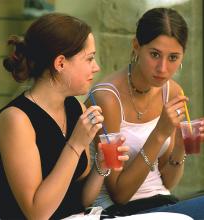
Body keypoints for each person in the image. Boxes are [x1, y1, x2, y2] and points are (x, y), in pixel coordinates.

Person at [0, 13, 129, 219]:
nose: (96, 67)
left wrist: (101, 165)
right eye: (89, 58)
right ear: (61, 63)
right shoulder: (16, 120)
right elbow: (37, 213)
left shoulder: (76, 109)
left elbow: (81, 200)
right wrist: (75, 144)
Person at [86, 7, 204, 219]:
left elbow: (166, 182)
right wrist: (159, 134)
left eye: (173, 57)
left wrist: (179, 147)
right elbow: (119, 194)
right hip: (117, 211)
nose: (163, 68)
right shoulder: (107, 99)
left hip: (163, 203)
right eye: (155, 54)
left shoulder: (172, 92)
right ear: (136, 46)